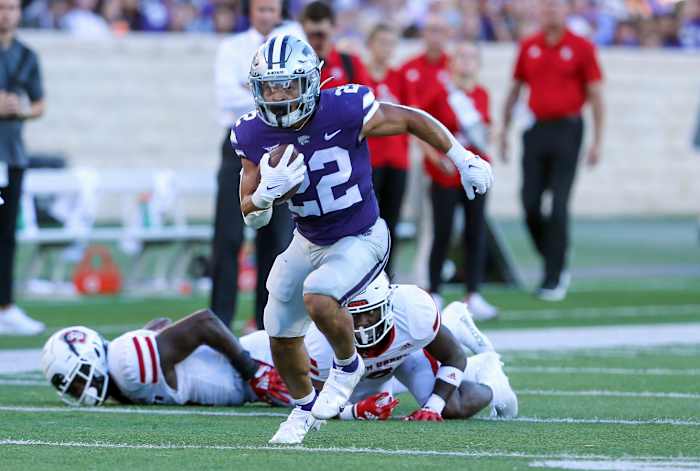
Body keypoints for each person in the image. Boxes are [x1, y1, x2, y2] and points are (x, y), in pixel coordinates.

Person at [234, 34, 493, 444]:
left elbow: (410, 117)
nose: (279, 95)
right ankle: (302, 410)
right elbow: (253, 216)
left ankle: (347, 364)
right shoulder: (252, 133)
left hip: (362, 234)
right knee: (277, 325)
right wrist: (266, 194)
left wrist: (463, 158)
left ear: (310, 82)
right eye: (270, 86)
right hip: (309, 237)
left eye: (288, 84)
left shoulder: (344, 107)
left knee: (318, 295)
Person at [304, 273, 518, 421]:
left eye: (370, 312)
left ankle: (491, 379)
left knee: (451, 407)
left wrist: (432, 407)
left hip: (406, 355)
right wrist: (355, 411)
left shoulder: (412, 309)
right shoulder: (321, 342)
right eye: (354, 314)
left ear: (388, 305)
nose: (363, 323)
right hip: (368, 374)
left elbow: (454, 358)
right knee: (358, 407)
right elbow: (318, 404)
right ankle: (452, 324)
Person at [500, 0, 604, 301]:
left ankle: (553, 278)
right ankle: (554, 254)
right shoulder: (529, 45)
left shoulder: (581, 46)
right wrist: (504, 131)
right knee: (529, 203)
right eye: (546, 7)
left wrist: (597, 141)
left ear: (566, 11)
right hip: (536, 130)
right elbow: (516, 88)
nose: (550, 12)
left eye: (556, 7)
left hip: (568, 130)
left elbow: (596, 95)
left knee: (558, 205)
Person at [212, 0, 304, 330]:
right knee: (228, 235)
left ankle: (269, 325)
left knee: (277, 238)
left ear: (280, 12)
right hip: (239, 141)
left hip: (280, 144)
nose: (267, 15)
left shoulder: (294, 40)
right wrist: (276, 93)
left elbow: (303, 90)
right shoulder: (232, 47)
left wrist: (250, 89)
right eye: (261, 8)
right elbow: (226, 98)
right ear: (250, 12)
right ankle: (219, 322)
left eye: (272, 9)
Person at [41, 309, 292, 407]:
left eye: (77, 381)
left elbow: (204, 323)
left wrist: (254, 372)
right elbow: (162, 326)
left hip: (270, 362)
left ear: (93, 358)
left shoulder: (124, 364)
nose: (77, 391)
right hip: (259, 375)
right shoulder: (123, 373)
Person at [417, 41, 497, 321]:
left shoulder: (481, 94)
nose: (466, 62)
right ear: (452, 63)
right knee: (443, 232)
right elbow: (421, 127)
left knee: (475, 232)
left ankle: (473, 293)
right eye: (461, 56)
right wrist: (434, 157)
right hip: (446, 174)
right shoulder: (440, 92)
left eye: (471, 57)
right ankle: (435, 291)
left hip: (473, 173)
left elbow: (486, 129)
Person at [0, 0, 46, 336]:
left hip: (12, 156)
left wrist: (20, 109)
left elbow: (39, 103)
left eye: (12, 8)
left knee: (7, 235)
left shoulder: (27, 56)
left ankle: (6, 305)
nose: (7, 14)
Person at [365, 23, 411, 276]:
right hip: (369, 160)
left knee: (391, 221)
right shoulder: (360, 76)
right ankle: (366, 275)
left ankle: (387, 275)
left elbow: (411, 116)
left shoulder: (400, 77)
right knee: (368, 223)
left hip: (397, 159)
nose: (386, 48)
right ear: (370, 44)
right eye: (381, 42)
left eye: (391, 43)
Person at [299, 1, 371, 89]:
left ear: (334, 28)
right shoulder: (297, 65)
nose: (316, 41)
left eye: (321, 35)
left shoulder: (350, 63)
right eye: (311, 35)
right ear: (303, 31)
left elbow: (366, 97)